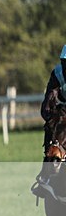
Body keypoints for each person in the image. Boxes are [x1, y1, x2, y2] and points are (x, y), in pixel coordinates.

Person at [32, 45, 66, 198]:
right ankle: (45, 175)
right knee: (51, 125)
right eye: (64, 62)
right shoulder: (57, 73)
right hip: (63, 109)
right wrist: (49, 111)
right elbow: (48, 101)